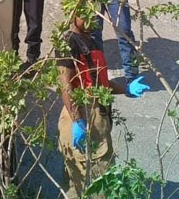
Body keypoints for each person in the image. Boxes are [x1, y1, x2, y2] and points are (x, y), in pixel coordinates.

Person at [57, 14, 149, 197]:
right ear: (74, 15)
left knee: (96, 177)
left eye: (95, 14)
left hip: (97, 116)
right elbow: (65, 85)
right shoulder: (68, 42)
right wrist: (77, 121)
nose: (94, 19)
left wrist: (126, 89)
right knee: (91, 181)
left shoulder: (92, 42)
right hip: (83, 114)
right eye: (87, 15)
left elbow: (100, 84)